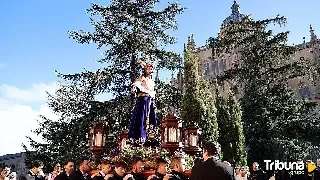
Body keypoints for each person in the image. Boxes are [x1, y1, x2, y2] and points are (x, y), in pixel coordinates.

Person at [128, 56, 159, 145]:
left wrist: (153, 102)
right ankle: (140, 137)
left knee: (151, 119)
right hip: (143, 100)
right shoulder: (142, 78)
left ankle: (151, 138)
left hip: (150, 101)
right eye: (148, 69)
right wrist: (134, 88)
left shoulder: (151, 82)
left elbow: (153, 92)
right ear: (145, 70)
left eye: (151, 69)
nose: (150, 70)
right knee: (141, 118)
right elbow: (136, 84)